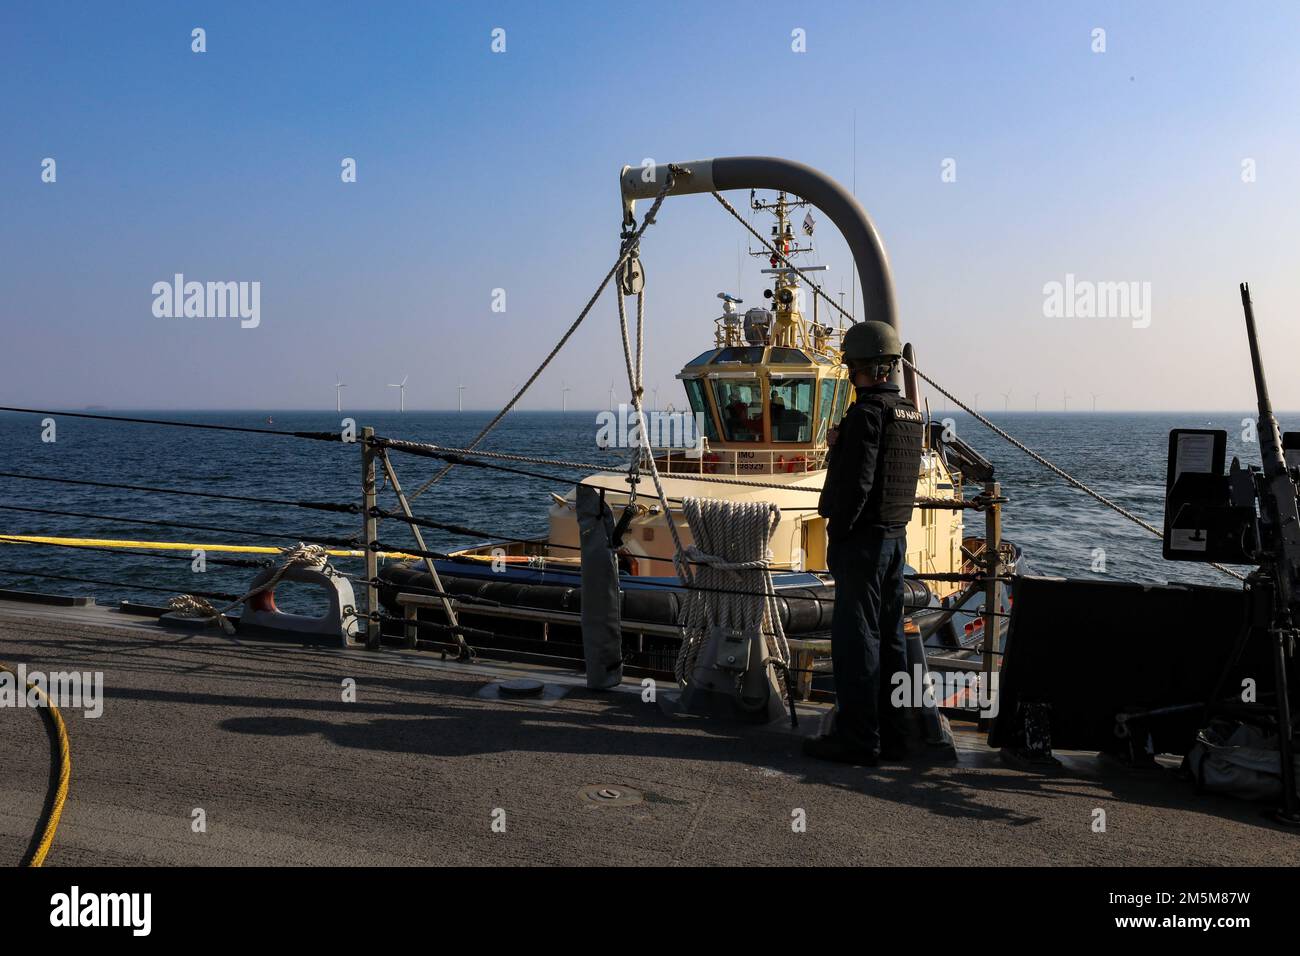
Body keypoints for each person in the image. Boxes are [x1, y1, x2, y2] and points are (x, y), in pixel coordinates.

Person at [805, 320, 925, 766]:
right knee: (891, 640)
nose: (851, 375)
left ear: (865, 367)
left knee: (856, 642)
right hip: (895, 539)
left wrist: (838, 533)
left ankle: (858, 739)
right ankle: (896, 735)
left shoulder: (866, 416)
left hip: (863, 543)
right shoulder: (910, 415)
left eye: (852, 367)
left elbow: (857, 484)